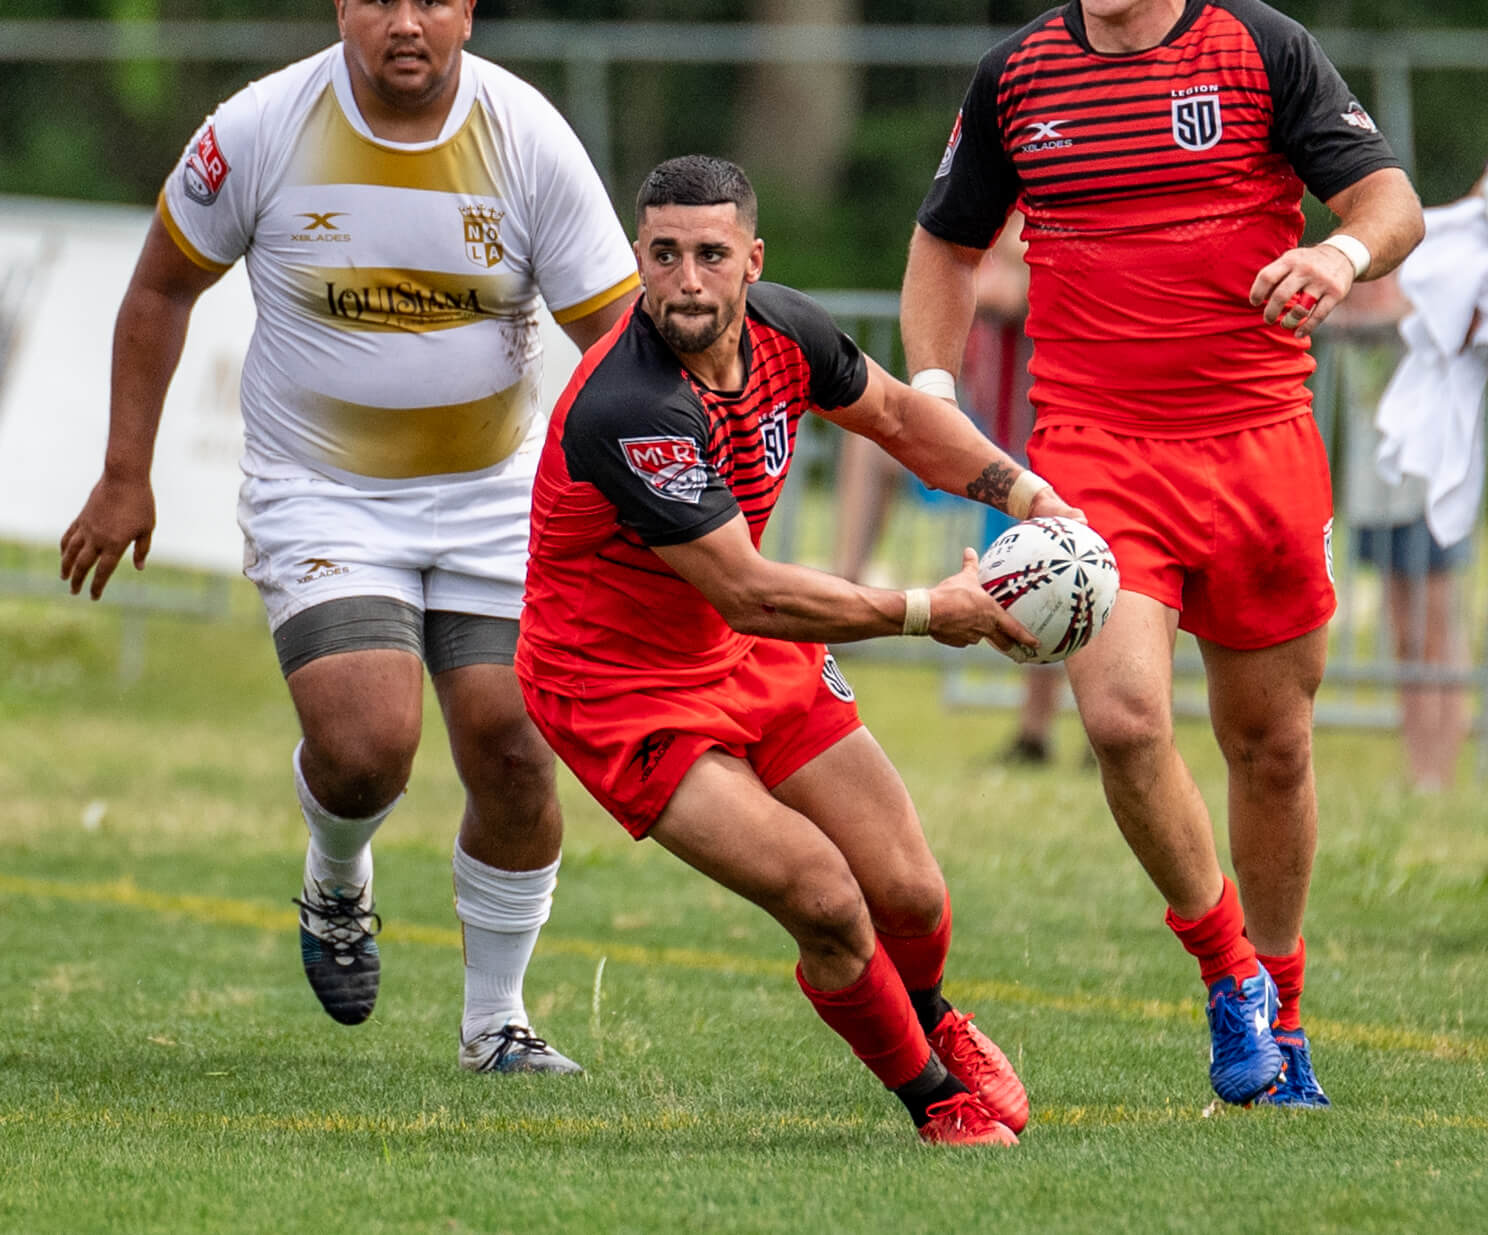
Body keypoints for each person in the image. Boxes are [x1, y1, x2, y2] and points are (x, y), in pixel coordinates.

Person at [58, 0, 640, 1074]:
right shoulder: (261, 128)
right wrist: (126, 473)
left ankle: (495, 1024)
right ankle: (336, 879)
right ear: (342, 8)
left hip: (494, 494)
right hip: (321, 493)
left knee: (515, 747)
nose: (406, 22)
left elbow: (618, 337)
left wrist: (649, 503)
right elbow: (159, 287)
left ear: (467, 9)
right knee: (369, 745)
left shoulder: (528, 136)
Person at [902, 0, 1424, 1109]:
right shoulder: (1019, 74)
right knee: (1124, 719)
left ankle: (1285, 1013)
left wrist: (1337, 253)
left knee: (1272, 744)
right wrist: (939, 404)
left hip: (1261, 446)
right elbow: (947, 243)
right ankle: (1228, 969)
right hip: (1095, 454)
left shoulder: (1262, 47)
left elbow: (1390, 202)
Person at [516, 155, 1083, 1146]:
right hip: (619, 686)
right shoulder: (627, 405)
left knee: (908, 890)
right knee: (825, 897)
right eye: (662, 253)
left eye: (709, 253)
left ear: (751, 260)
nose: (685, 277)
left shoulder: (787, 327)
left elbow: (904, 417)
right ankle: (932, 1096)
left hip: (739, 646)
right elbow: (750, 585)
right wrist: (926, 607)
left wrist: (1032, 498)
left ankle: (933, 1012)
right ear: (637, 258)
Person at [832, 213, 1065, 764]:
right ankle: (847, 583)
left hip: (1037, 447)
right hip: (981, 438)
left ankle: (1036, 733)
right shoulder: (992, 221)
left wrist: (972, 266)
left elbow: (1005, 290)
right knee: (867, 444)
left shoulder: (1044, 230)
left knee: (1054, 581)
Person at [1335, 274, 1471, 794]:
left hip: (1428, 489)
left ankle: (1442, 766)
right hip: (1374, 495)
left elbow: (1434, 322)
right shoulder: (1339, 294)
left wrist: (1377, 316)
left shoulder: (1421, 297)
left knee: (1437, 635)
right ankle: (1420, 772)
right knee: (1404, 638)